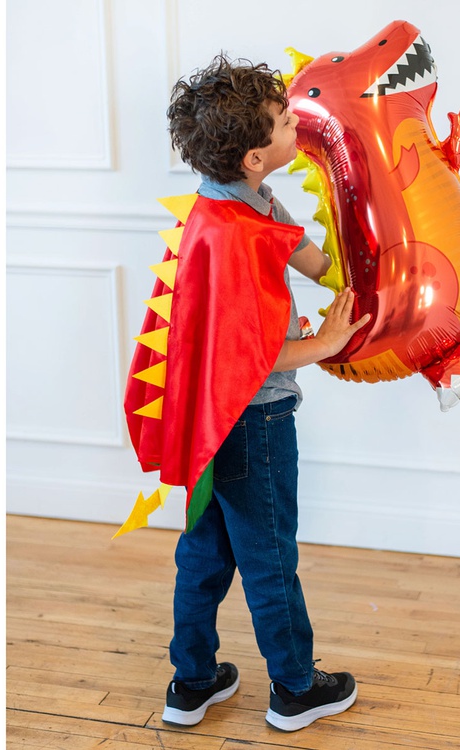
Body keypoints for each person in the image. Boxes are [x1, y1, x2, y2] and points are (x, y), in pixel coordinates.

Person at [159, 54, 370, 733]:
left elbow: (308, 256)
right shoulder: (234, 236)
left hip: (208, 422)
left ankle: (191, 683)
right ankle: (296, 689)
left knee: (204, 553)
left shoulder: (235, 199)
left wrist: (353, 264)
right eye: (284, 123)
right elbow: (248, 358)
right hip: (254, 421)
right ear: (255, 156)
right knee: (270, 557)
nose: (294, 126)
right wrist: (325, 344)